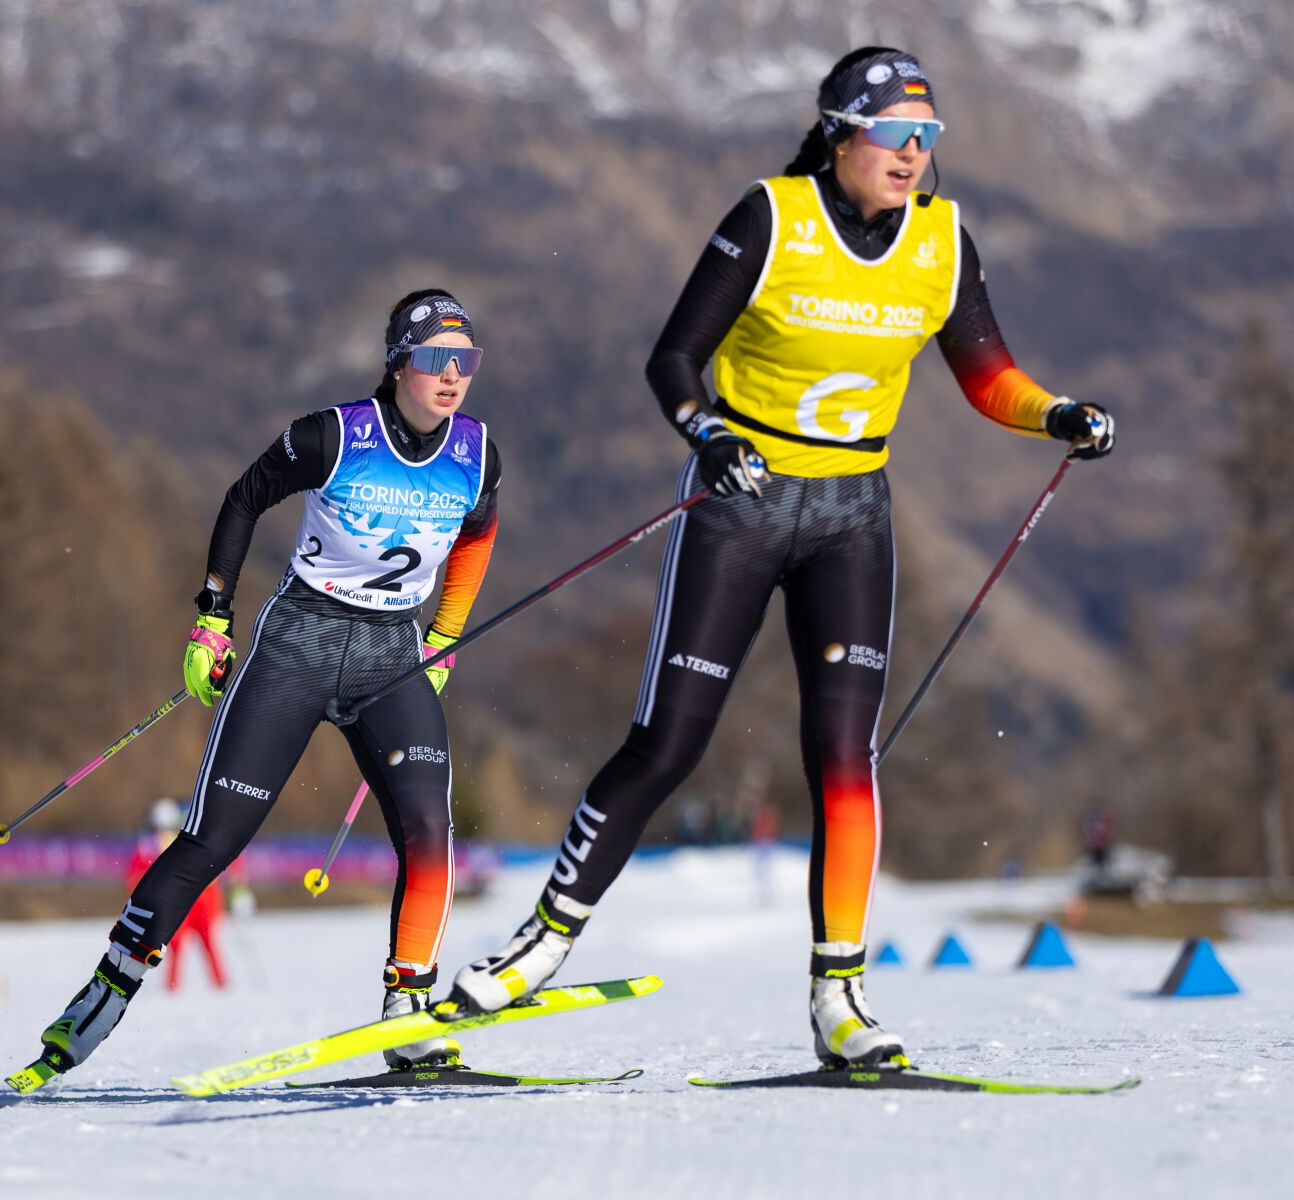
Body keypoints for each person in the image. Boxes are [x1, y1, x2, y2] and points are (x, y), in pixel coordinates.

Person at [443, 47, 1114, 1070]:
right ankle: (544, 940)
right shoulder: (772, 217)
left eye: (929, 137)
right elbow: (672, 359)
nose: (915, 154)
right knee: (668, 743)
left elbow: (988, 376)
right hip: (743, 508)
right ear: (842, 133)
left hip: (853, 517)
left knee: (846, 758)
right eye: (897, 134)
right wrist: (706, 433)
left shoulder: (941, 240)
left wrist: (1056, 413)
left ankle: (838, 997)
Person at [14, 289, 501, 1089]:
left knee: (428, 828)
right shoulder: (335, 436)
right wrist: (213, 619)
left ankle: (407, 1014)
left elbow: (478, 533)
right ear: (398, 362)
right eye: (435, 359)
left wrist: (445, 636)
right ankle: (106, 989)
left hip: (392, 654)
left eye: (467, 362)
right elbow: (243, 500)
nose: (453, 377)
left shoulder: (477, 453)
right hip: (298, 644)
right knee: (216, 836)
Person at [125, 798, 230, 992]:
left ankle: (220, 984)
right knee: (177, 944)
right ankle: (173, 987)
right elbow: (135, 876)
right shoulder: (148, 844)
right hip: (174, 901)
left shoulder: (189, 837)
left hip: (202, 898)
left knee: (207, 941)